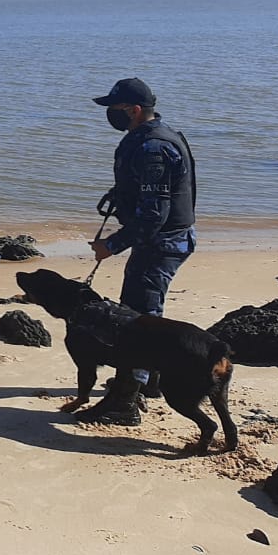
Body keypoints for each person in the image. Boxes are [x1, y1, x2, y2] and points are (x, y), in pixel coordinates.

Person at [85, 76, 196, 425]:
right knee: (145, 315)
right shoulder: (153, 137)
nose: (110, 115)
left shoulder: (154, 149)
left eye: (115, 109)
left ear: (134, 110)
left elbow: (153, 216)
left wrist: (111, 245)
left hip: (162, 243)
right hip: (162, 240)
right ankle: (149, 383)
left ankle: (125, 402)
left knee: (137, 322)